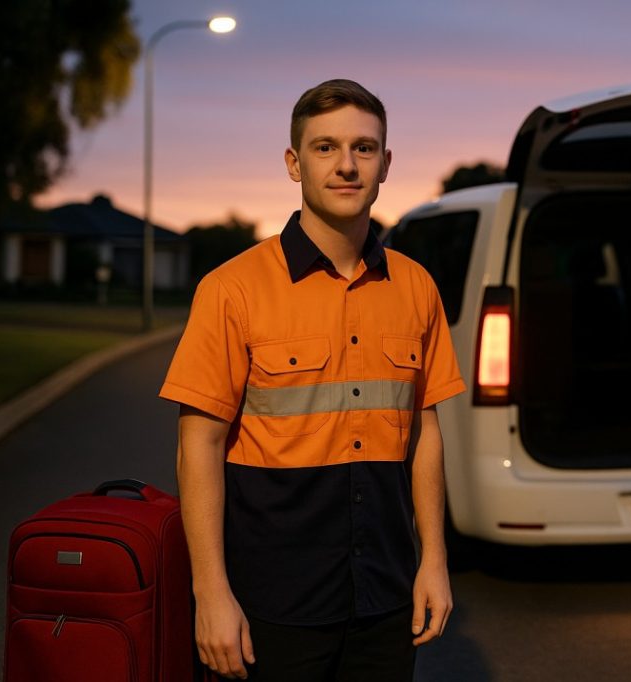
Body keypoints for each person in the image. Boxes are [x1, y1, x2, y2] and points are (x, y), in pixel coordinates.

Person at [159, 78, 465, 681]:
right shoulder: (232, 289)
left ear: (385, 164)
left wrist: (434, 560)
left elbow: (424, 431)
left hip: (384, 596)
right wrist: (211, 594)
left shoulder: (416, 287)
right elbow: (199, 444)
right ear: (294, 164)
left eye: (364, 148)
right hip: (269, 602)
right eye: (325, 148)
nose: (346, 165)